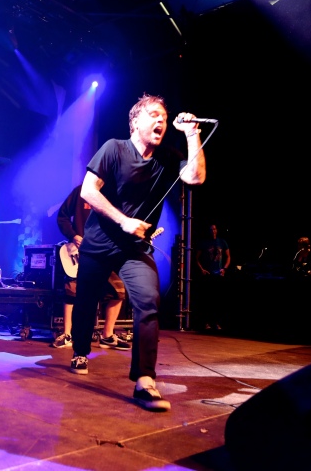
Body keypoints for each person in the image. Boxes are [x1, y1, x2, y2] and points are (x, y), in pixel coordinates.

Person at [69, 93, 206, 412]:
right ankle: (79, 350)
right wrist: (124, 220)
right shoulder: (114, 148)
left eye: (164, 115)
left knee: (148, 300)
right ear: (136, 122)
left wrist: (191, 133)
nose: (161, 120)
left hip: (135, 249)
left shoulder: (169, 158)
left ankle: (145, 379)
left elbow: (196, 177)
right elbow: (89, 191)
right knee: (87, 300)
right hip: (99, 242)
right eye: (154, 114)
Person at [53, 184, 131, 351]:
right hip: (80, 252)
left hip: (105, 253)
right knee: (72, 290)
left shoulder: (115, 193)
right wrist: (74, 236)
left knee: (119, 290)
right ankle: (68, 334)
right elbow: (62, 216)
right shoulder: (81, 191)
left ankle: (107, 336)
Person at [194, 223, 231, 331]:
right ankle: (206, 323)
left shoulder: (222, 242)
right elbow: (196, 258)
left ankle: (217, 323)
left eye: (214, 229)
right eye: (211, 229)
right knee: (207, 300)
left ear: (217, 230)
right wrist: (202, 269)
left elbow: (228, 256)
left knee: (218, 300)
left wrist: (224, 269)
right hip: (208, 274)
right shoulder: (204, 243)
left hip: (218, 274)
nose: (213, 231)